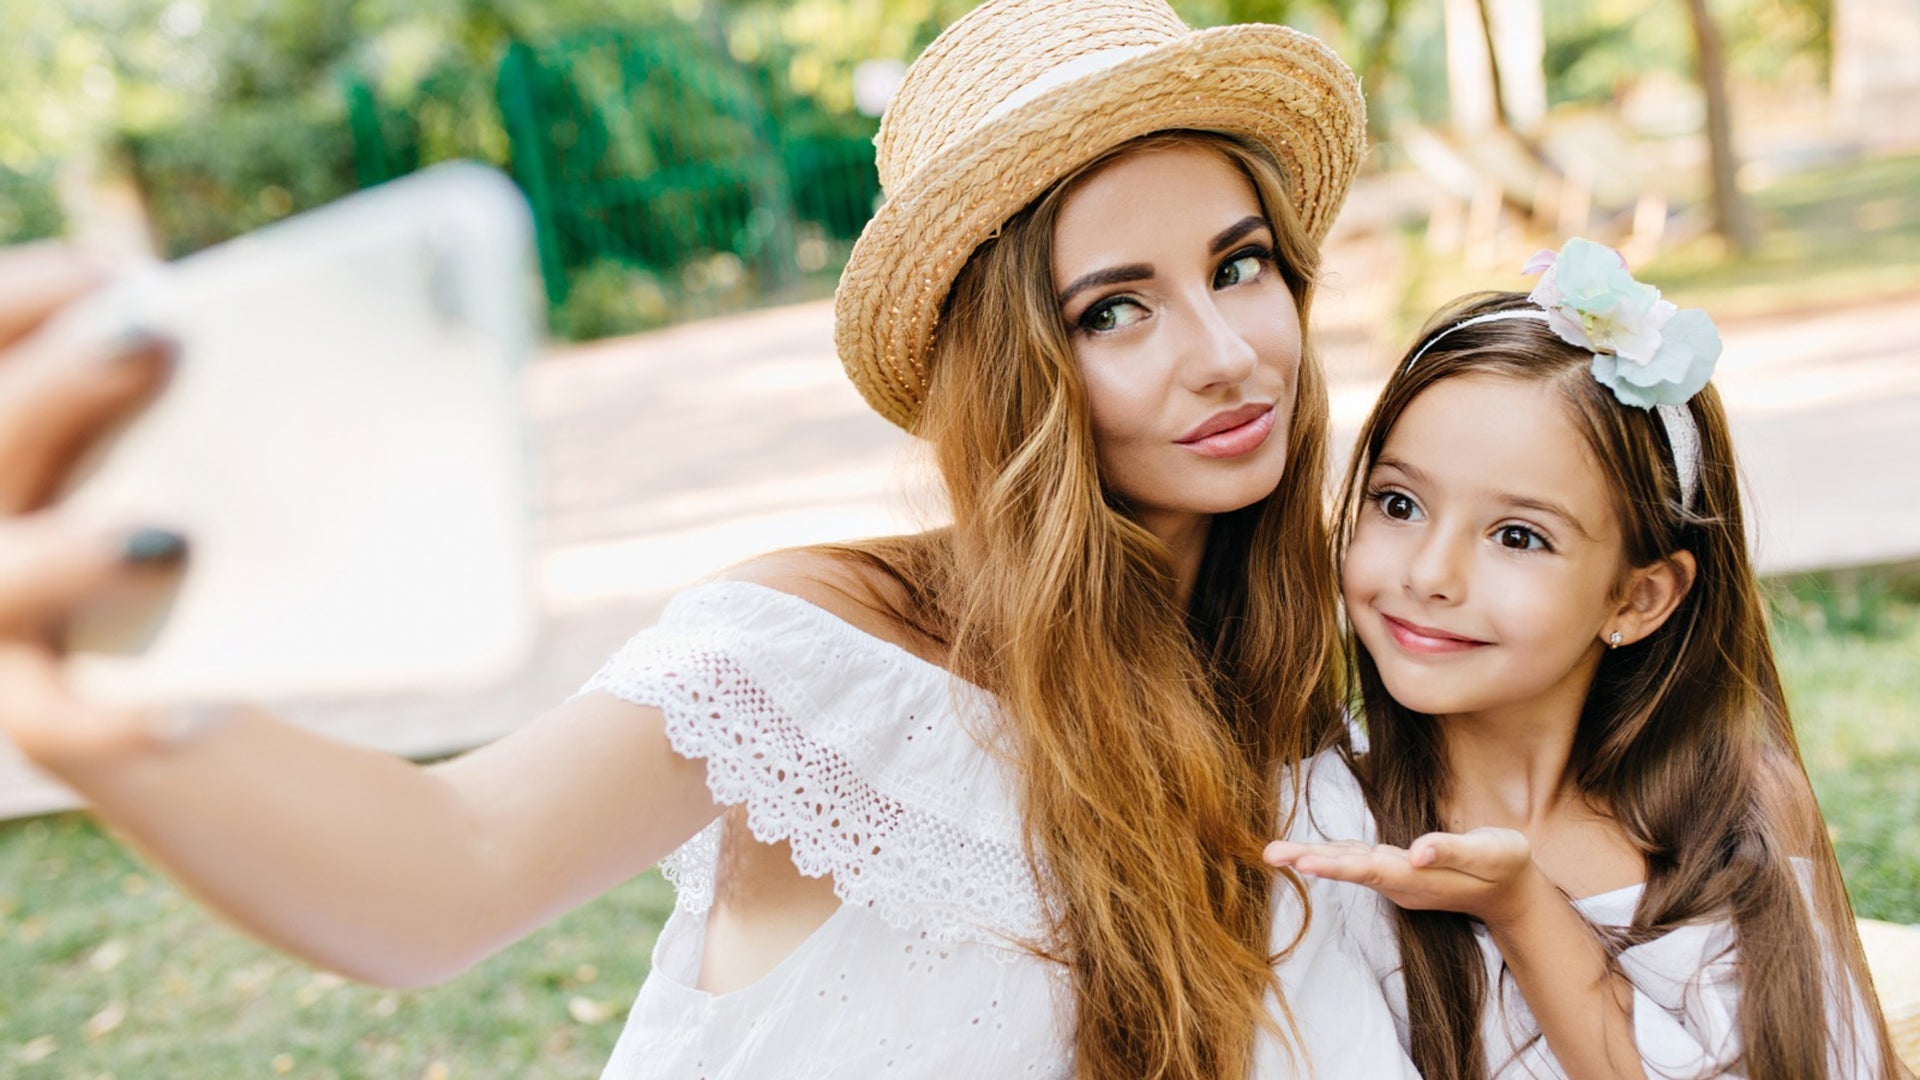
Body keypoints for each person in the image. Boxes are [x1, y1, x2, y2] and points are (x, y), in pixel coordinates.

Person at [0, 1, 1417, 1077]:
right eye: (1116, 307)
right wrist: (98, 706)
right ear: (1015, 368)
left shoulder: (1313, 676)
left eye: (1240, 266)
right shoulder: (833, 658)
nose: (1229, 353)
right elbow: (450, 866)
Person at [1266, 238, 1905, 1078]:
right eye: (1399, 503)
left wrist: (1522, 908)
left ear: (1637, 599)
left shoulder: (1737, 806)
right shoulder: (1322, 830)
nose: (1428, 574)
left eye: (1518, 535)